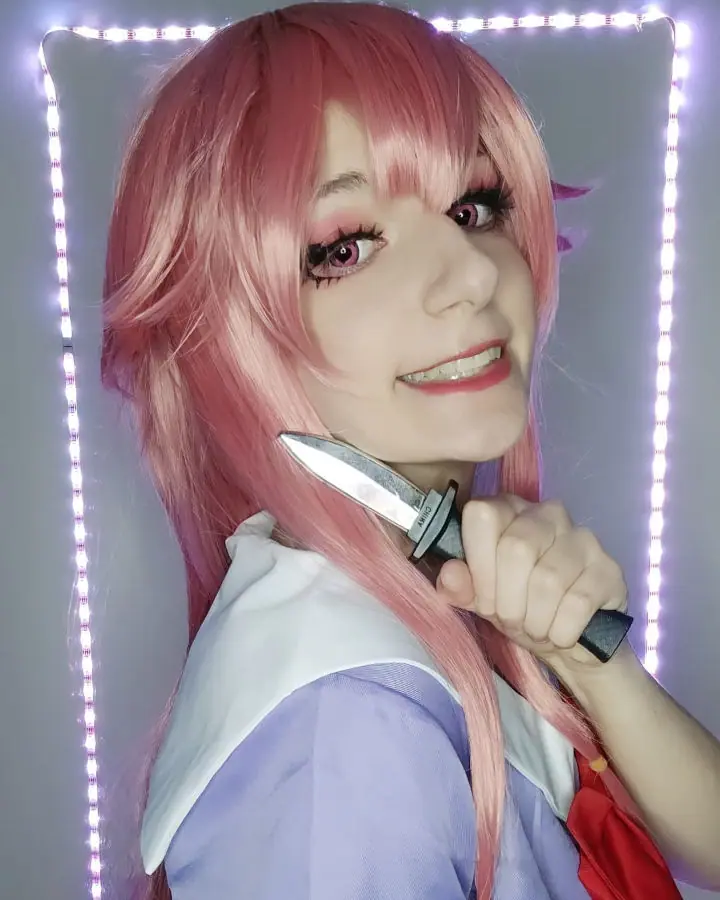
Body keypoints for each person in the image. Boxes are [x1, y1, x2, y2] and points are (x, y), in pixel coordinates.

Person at [100, 4, 720, 899]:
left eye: (473, 207)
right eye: (345, 247)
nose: (473, 273)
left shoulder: (443, 593)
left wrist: (595, 665)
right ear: (222, 327)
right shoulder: (342, 735)